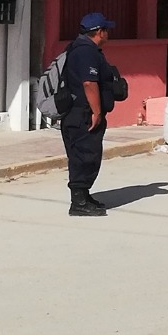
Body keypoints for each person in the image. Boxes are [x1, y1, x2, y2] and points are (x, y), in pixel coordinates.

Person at [59, 12, 118, 217]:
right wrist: (97, 112)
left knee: (86, 155)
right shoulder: (86, 52)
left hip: (79, 113)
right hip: (83, 114)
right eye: (106, 30)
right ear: (99, 32)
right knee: (84, 156)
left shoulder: (81, 48)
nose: (108, 33)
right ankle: (79, 203)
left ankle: (84, 195)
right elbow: (89, 83)